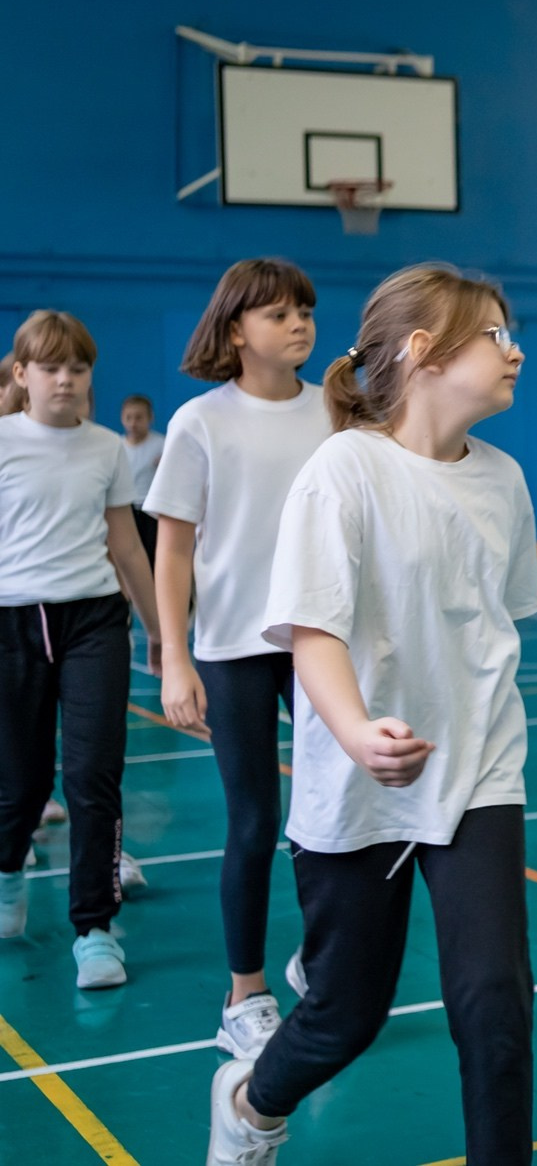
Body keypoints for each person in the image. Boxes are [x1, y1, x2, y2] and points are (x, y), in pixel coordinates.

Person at [208, 264, 537, 1166]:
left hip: (479, 768)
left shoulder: (503, 480)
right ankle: (249, 1101)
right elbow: (312, 632)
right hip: (358, 785)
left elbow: (497, 619)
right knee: (346, 1014)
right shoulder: (342, 471)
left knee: (495, 1003)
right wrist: (357, 733)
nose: (515, 353)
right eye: (496, 337)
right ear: (426, 353)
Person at [147, 258, 329, 1057]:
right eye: (279, 314)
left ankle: (315, 958)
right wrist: (176, 658)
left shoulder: (338, 413)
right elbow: (174, 550)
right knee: (254, 822)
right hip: (232, 648)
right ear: (235, 331)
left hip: (319, 640)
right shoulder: (199, 421)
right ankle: (244, 993)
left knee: (337, 817)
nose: (299, 325)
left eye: (306, 312)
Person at [0, 311, 163, 989]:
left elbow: (125, 543)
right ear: (22, 375)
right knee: (20, 784)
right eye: (51, 367)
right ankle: (9, 877)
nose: (66, 379)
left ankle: (94, 929)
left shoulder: (106, 449)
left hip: (94, 620)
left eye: (78, 367)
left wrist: (162, 632)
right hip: (11, 622)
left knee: (93, 778)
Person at [120, 395, 166, 566]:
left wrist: (165, 465)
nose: (133, 423)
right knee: (130, 551)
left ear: (150, 418)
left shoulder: (162, 445)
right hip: (128, 507)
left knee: (153, 551)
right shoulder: (118, 447)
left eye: (139, 417)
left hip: (152, 508)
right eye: (128, 418)